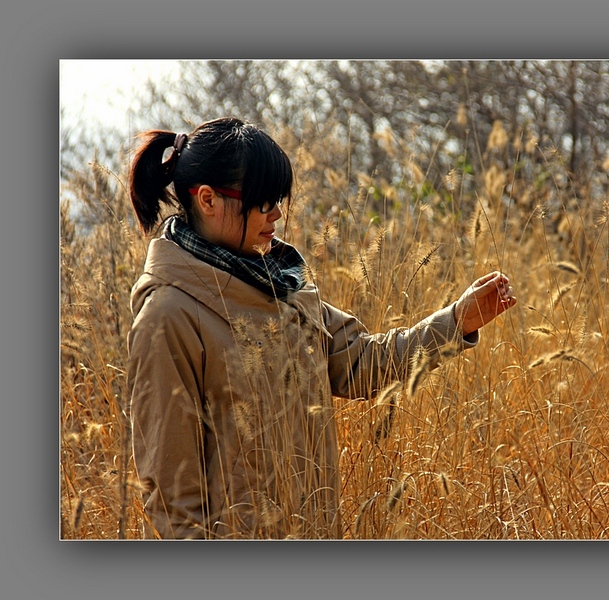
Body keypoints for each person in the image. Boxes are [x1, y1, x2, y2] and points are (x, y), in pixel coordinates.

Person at [127, 116, 516, 539]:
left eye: (279, 199)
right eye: (262, 201)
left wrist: (457, 321)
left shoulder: (281, 284)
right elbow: (171, 505)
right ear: (207, 199)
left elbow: (366, 362)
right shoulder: (167, 318)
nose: (277, 213)